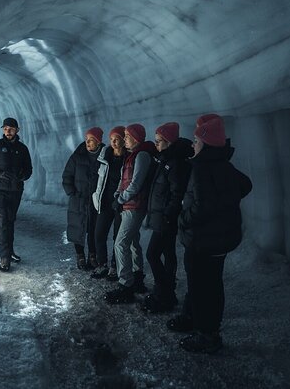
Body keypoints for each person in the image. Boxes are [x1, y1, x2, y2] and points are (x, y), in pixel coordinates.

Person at [168, 115, 252, 354]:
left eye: (196, 141)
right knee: (208, 284)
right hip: (218, 238)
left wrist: (182, 219)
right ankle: (196, 320)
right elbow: (245, 185)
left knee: (205, 287)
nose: (193, 145)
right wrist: (226, 204)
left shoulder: (203, 168)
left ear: (204, 144)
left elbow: (202, 206)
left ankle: (207, 335)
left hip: (205, 239)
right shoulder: (223, 165)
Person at [141, 122, 193, 313]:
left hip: (165, 218)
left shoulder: (174, 163)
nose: (156, 145)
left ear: (169, 141)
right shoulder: (166, 160)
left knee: (152, 254)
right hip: (163, 216)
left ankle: (163, 293)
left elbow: (176, 193)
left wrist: (167, 215)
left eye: (159, 141)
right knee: (168, 253)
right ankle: (167, 293)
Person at [105, 124, 157, 304]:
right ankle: (137, 277)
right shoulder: (132, 156)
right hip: (128, 204)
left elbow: (136, 184)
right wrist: (117, 195)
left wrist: (120, 199)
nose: (124, 138)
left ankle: (125, 285)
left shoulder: (141, 156)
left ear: (135, 138)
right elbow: (123, 180)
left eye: (127, 136)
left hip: (134, 206)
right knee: (133, 242)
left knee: (120, 244)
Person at [0, 117, 33, 272]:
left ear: (17, 130)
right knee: (3, 221)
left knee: (10, 221)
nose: (8, 131)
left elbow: (29, 169)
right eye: (5, 128)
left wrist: (23, 176)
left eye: (11, 128)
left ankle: (9, 252)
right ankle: (4, 257)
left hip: (16, 190)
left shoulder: (22, 149)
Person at [62, 127, 105, 270]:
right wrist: (72, 193)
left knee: (93, 229)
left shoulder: (105, 156)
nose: (88, 142)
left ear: (98, 142)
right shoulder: (77, 156)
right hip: (78, 200)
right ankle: (80, 256)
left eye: (91, 140)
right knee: (78, 227)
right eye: (87, 139)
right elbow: (67, 176)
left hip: (95, 201)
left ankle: (93, 256)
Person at [91, 126, 128, 279]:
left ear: (123, 140)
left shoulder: (129, 158)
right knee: (99, 234)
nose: (113, 142)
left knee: (117, 237)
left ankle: (114, 266)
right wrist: (95, 195)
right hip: (105, 201)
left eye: (116, 138)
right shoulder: (105, 156)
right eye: (111, 139)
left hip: (120, 203)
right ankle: (102, 265)